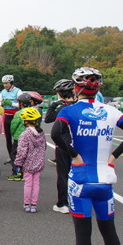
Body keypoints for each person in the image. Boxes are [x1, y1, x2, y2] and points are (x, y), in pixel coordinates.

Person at [51, 67, 123, 245]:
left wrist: (74, 155)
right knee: (109, 231)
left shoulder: (70, 111)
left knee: (83, 234)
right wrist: (114, 157)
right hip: (105, 181)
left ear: (75, 87)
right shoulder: (110, 110)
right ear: (98, 87)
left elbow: (55, 134)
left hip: (80, 180)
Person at [44, 79, 77, 213]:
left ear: (61, 93)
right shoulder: (78, 105)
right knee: (76, 173)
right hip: (78, 143)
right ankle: (77, 200)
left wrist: (54, 105)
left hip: (64, 143)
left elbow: (48, 119)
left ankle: (62, 203)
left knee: (63, 174)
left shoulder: (63, 108)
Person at [14, 108, 46, 213]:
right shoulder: (41, 133)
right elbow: (44, 146)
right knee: (36, 183)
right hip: (39, 162)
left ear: (26, 121)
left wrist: (18, 163)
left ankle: (27, 204)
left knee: (28, 183)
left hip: (28, 163)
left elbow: (22, 151)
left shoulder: (25, 134)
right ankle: (34, 205)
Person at [8, 91, 43, 181]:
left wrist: (12, 133)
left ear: (21, 103)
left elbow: (13, 126)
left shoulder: (18, 113)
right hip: (30, 136)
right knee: (27, 155)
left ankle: (17, 172)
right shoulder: (33, 111)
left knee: (15, 155)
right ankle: (25, 171)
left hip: (18, 137)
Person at [0, 74, 23, 164]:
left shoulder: (18, 91)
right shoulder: (3, 92)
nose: (5, 85)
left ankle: (18, 156)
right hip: (6, 116)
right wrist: (2, 103)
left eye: (7, 83)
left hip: (15, 115)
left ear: (11, 83)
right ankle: (11, 156)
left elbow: (20, 104)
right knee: (8, 138)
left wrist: (11, 103)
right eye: (4, 83)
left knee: (17, 137)